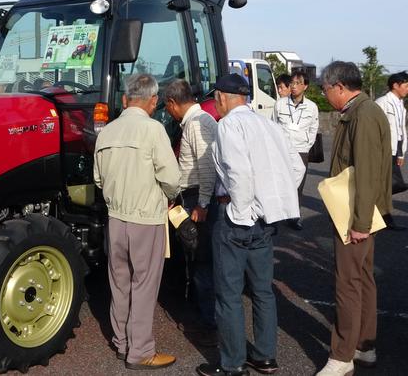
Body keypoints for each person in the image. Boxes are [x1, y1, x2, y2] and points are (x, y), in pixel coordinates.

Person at [196, 73, 304, 376]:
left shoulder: (228, 125)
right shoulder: (270, 125)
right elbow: (296, 167)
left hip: (236, 219)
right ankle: (265, 356)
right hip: (266, 220)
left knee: (229, 294)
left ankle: (232, 363)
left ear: (221, 97)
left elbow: (239, 173)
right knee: (262, 291)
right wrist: (269, 200)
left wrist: (239, 210)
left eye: (216, 97)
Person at [94, 73, 180, 370]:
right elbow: (171, 179)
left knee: (119, 282)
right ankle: (141, 351)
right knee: (144, 284)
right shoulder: (153, 130)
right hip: (145, 218)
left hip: (114, 218)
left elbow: (97, 177)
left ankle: (122, 343)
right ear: (153, 101)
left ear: (124, 98)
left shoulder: (107, 132)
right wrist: (170, 195)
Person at [315, 62, 392, 376]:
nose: (324, 93)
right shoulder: (364, 111)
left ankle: (342, 354)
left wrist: (359, 223)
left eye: (324, 88)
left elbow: (367, 172)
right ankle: (363, 346)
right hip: (360, 213)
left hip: (355, 215)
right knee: (362, 280)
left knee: (347, 283)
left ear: (338, 86)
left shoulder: (362, 114)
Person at [164, 79, 218, 346]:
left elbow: (207, 167)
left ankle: (208, 322)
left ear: (174, 103)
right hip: (195, 195)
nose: (169, 113)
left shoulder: (198, 123)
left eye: (167, 107)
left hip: (198, 197)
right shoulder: (199, 121)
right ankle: (203, 316)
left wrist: (202, 204)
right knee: (197, 259)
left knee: (201, 261)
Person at [272, 70, 319, 230]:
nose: (294, 86)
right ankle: (276, 215)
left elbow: (314, 128)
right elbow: (274, 125)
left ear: (305, 86)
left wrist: (306, 145)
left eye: (298, 83)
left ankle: (294, 216)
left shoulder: (312, 107)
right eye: (292, 83)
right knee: (279, 182)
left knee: (298, 185)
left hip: (301, 150)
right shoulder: (280, 104)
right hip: (282, 149)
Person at [374, 71, 408, 230]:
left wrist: (401, 153)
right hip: (384, 150)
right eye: (406, 85)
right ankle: (384, 217)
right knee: (390, 184)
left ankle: (380, 213)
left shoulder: (401, 104)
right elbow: (374, 127)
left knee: (392, 184)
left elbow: (402, 131)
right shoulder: (382, 102)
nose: (407, 89)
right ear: (395, 85)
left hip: (396, 147)